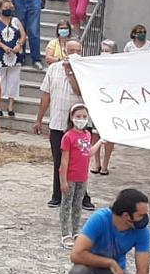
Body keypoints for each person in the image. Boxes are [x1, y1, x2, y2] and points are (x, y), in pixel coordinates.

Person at [35, 39, 93, 210]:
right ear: (64, 51)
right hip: (58, 122)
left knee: (80, 161)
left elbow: (79, 90)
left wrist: (70, 72)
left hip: (79, 124)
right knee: (59, 160)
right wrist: (39, 118)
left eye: (77, 50)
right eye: (71, 50)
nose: (74, 53)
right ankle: (57, 194)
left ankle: (82, 196)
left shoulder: (85, 70)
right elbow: (46, 95)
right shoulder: (53, 69)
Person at [59, 103, 102, 247]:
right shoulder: (68, 137)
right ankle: (65, 233)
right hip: (70, 176)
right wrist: (63, 180)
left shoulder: (87, 135)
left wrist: (100, 142)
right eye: (78, 116)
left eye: (84, 116)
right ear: (72, 117)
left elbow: (88, 153)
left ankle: (76, 231)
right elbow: (64, 160)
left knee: (78, 204)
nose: (81, 119)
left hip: (82, 177)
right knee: (66, 204)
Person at [0, 0, 26, 117]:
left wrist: (19, 45)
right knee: (0, 80)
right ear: (0, 9)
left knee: (14, 80)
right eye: (5, 7)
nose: (8, 9)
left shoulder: (16, 21)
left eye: (10, 7)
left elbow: (23, 35)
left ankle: (10, 105)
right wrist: (3, 46)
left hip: (15, 55)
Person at [91, 40, 118, 175]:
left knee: (108, 136)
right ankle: (96, 163)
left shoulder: (118, 69)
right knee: (95, 134)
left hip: (111, 105)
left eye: (107, 51)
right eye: (102, 50)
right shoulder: (95, 66)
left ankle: (105, 164)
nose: (104, 53)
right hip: (97, 103)